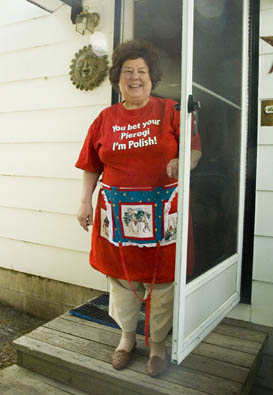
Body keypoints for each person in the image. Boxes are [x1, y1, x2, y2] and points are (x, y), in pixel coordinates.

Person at [76, 40, 201, 377]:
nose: (135, 77)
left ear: (151, 77)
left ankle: (157, 344)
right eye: (127, 71)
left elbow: (195, 151)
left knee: (162, 284)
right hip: (116, 218)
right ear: (117, 78)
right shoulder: (104, 118)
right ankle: (127, 338)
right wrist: (85, 200)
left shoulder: (172, 111)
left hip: (164, 217)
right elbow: (91, 164)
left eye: (141, 71)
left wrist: (182, 160)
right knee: (120, 280)